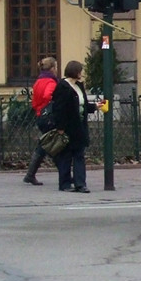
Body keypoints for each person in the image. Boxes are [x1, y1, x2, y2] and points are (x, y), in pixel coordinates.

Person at [50, 60, 102, 193]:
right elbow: (59, 108)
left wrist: (95, 106)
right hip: (67, 127)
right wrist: (60, 127)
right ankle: (65, 183)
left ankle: (80, 183)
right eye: (80, 71)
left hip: (79, 126)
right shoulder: (63, 87)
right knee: (66, 156)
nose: (81, 74)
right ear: (75, 72)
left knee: (79, 155)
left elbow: (82, 104)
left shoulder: (79, 86)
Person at [23, 57, 59, 186]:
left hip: (40, 116)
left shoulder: (39, 81)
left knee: (46, 144)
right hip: (48, 117)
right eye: (56, 67)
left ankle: (30, 175)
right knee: (54, 144)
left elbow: (35, 100)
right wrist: (53, 103)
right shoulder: (51, 82)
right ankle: (65, 174)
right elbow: (48, 95)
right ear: (53, 68)